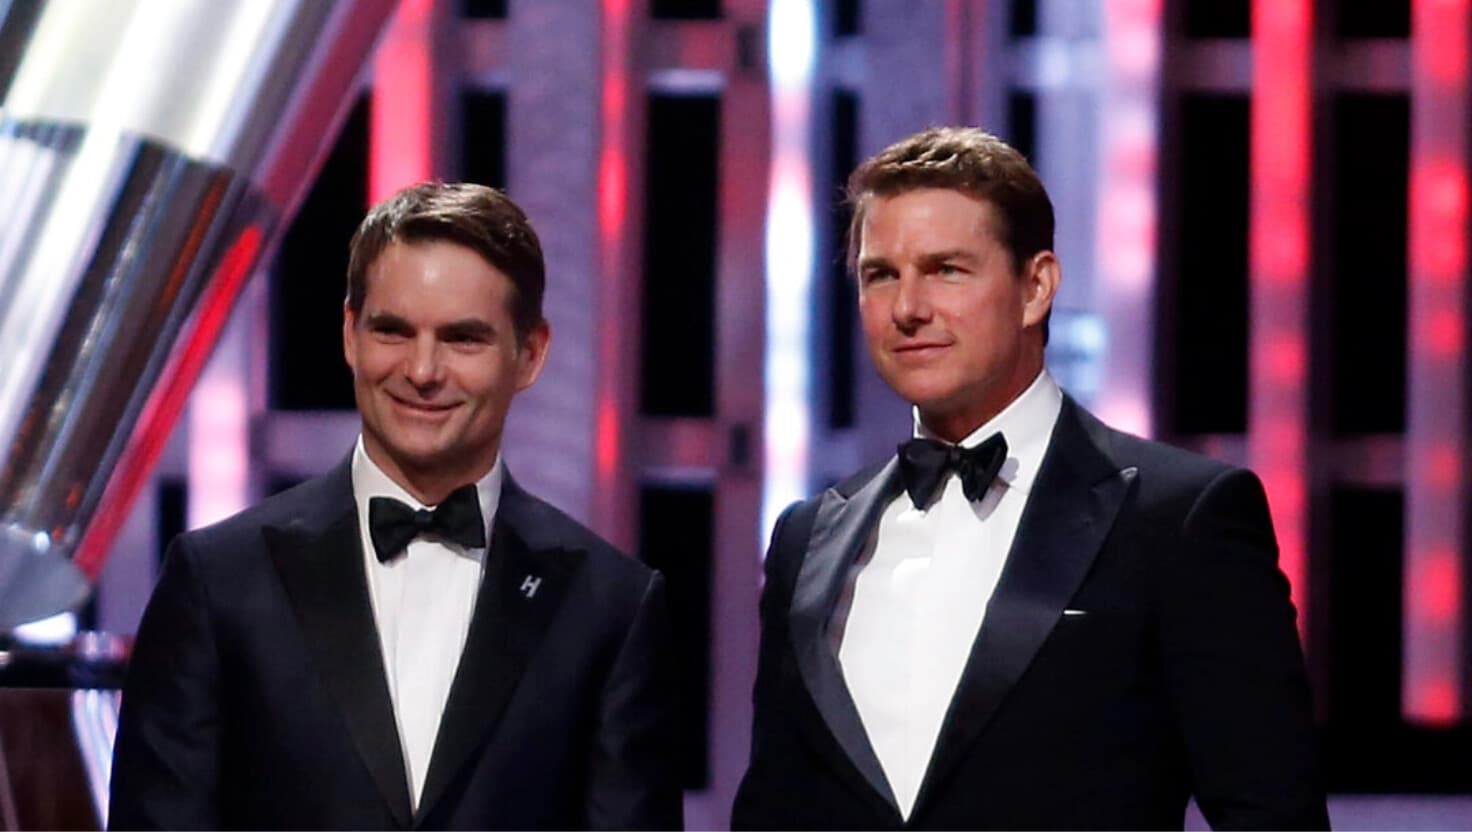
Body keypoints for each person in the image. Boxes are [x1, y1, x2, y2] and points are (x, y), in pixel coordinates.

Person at [732, 127, 1328, 830]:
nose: (908, 307)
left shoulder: (1177, 519)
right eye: (880, 274)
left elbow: (1272, 814)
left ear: (1036, 286)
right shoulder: (809, 537)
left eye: (947, 269)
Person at [110, 182, 682, 830]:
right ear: (350, 333)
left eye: (463, 339)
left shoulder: (609, 607)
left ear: (530, 353)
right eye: (393, 330)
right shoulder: (220, 582)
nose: (422, 369)